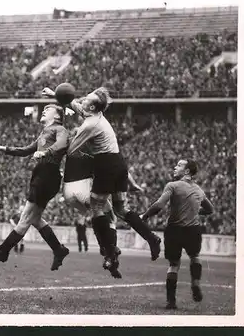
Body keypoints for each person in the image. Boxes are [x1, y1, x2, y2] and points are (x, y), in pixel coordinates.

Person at [43, 85, 161, 277]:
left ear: (92, 107)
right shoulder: (95, 116)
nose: (82, 99)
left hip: (106, 165)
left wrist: (53, 148)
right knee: (120, 209)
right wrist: (56, 96)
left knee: (97, 208)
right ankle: (152, 238)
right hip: (118, 162)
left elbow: (72, 149)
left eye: (86, 99)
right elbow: (76, 105)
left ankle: (109, 251)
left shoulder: (90, 125)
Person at [0, 104, 70, 271]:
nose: (44, 110)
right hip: (41, 174)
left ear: (57, 116)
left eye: (48, 109)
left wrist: (45, 152)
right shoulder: (44, 132)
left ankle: (2, 251)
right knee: (34, 219)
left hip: (48, 174)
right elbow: (25, 150)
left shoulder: (60, 129)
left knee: (26, 217)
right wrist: (2, 148)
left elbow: (63, 144)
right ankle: (59, 249)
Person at [142, 159, 214, 310]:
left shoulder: (172, 186)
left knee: (174, 265)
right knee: (195, 257)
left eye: (179, 165)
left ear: (187, 171)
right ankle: (195, 283)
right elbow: (210, 209)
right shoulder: (199, 190)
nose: (175, 166)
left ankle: (171, 302)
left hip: (174, 229)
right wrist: (195, 212)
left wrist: (144, 216)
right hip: (193, 230)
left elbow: (159, 205)